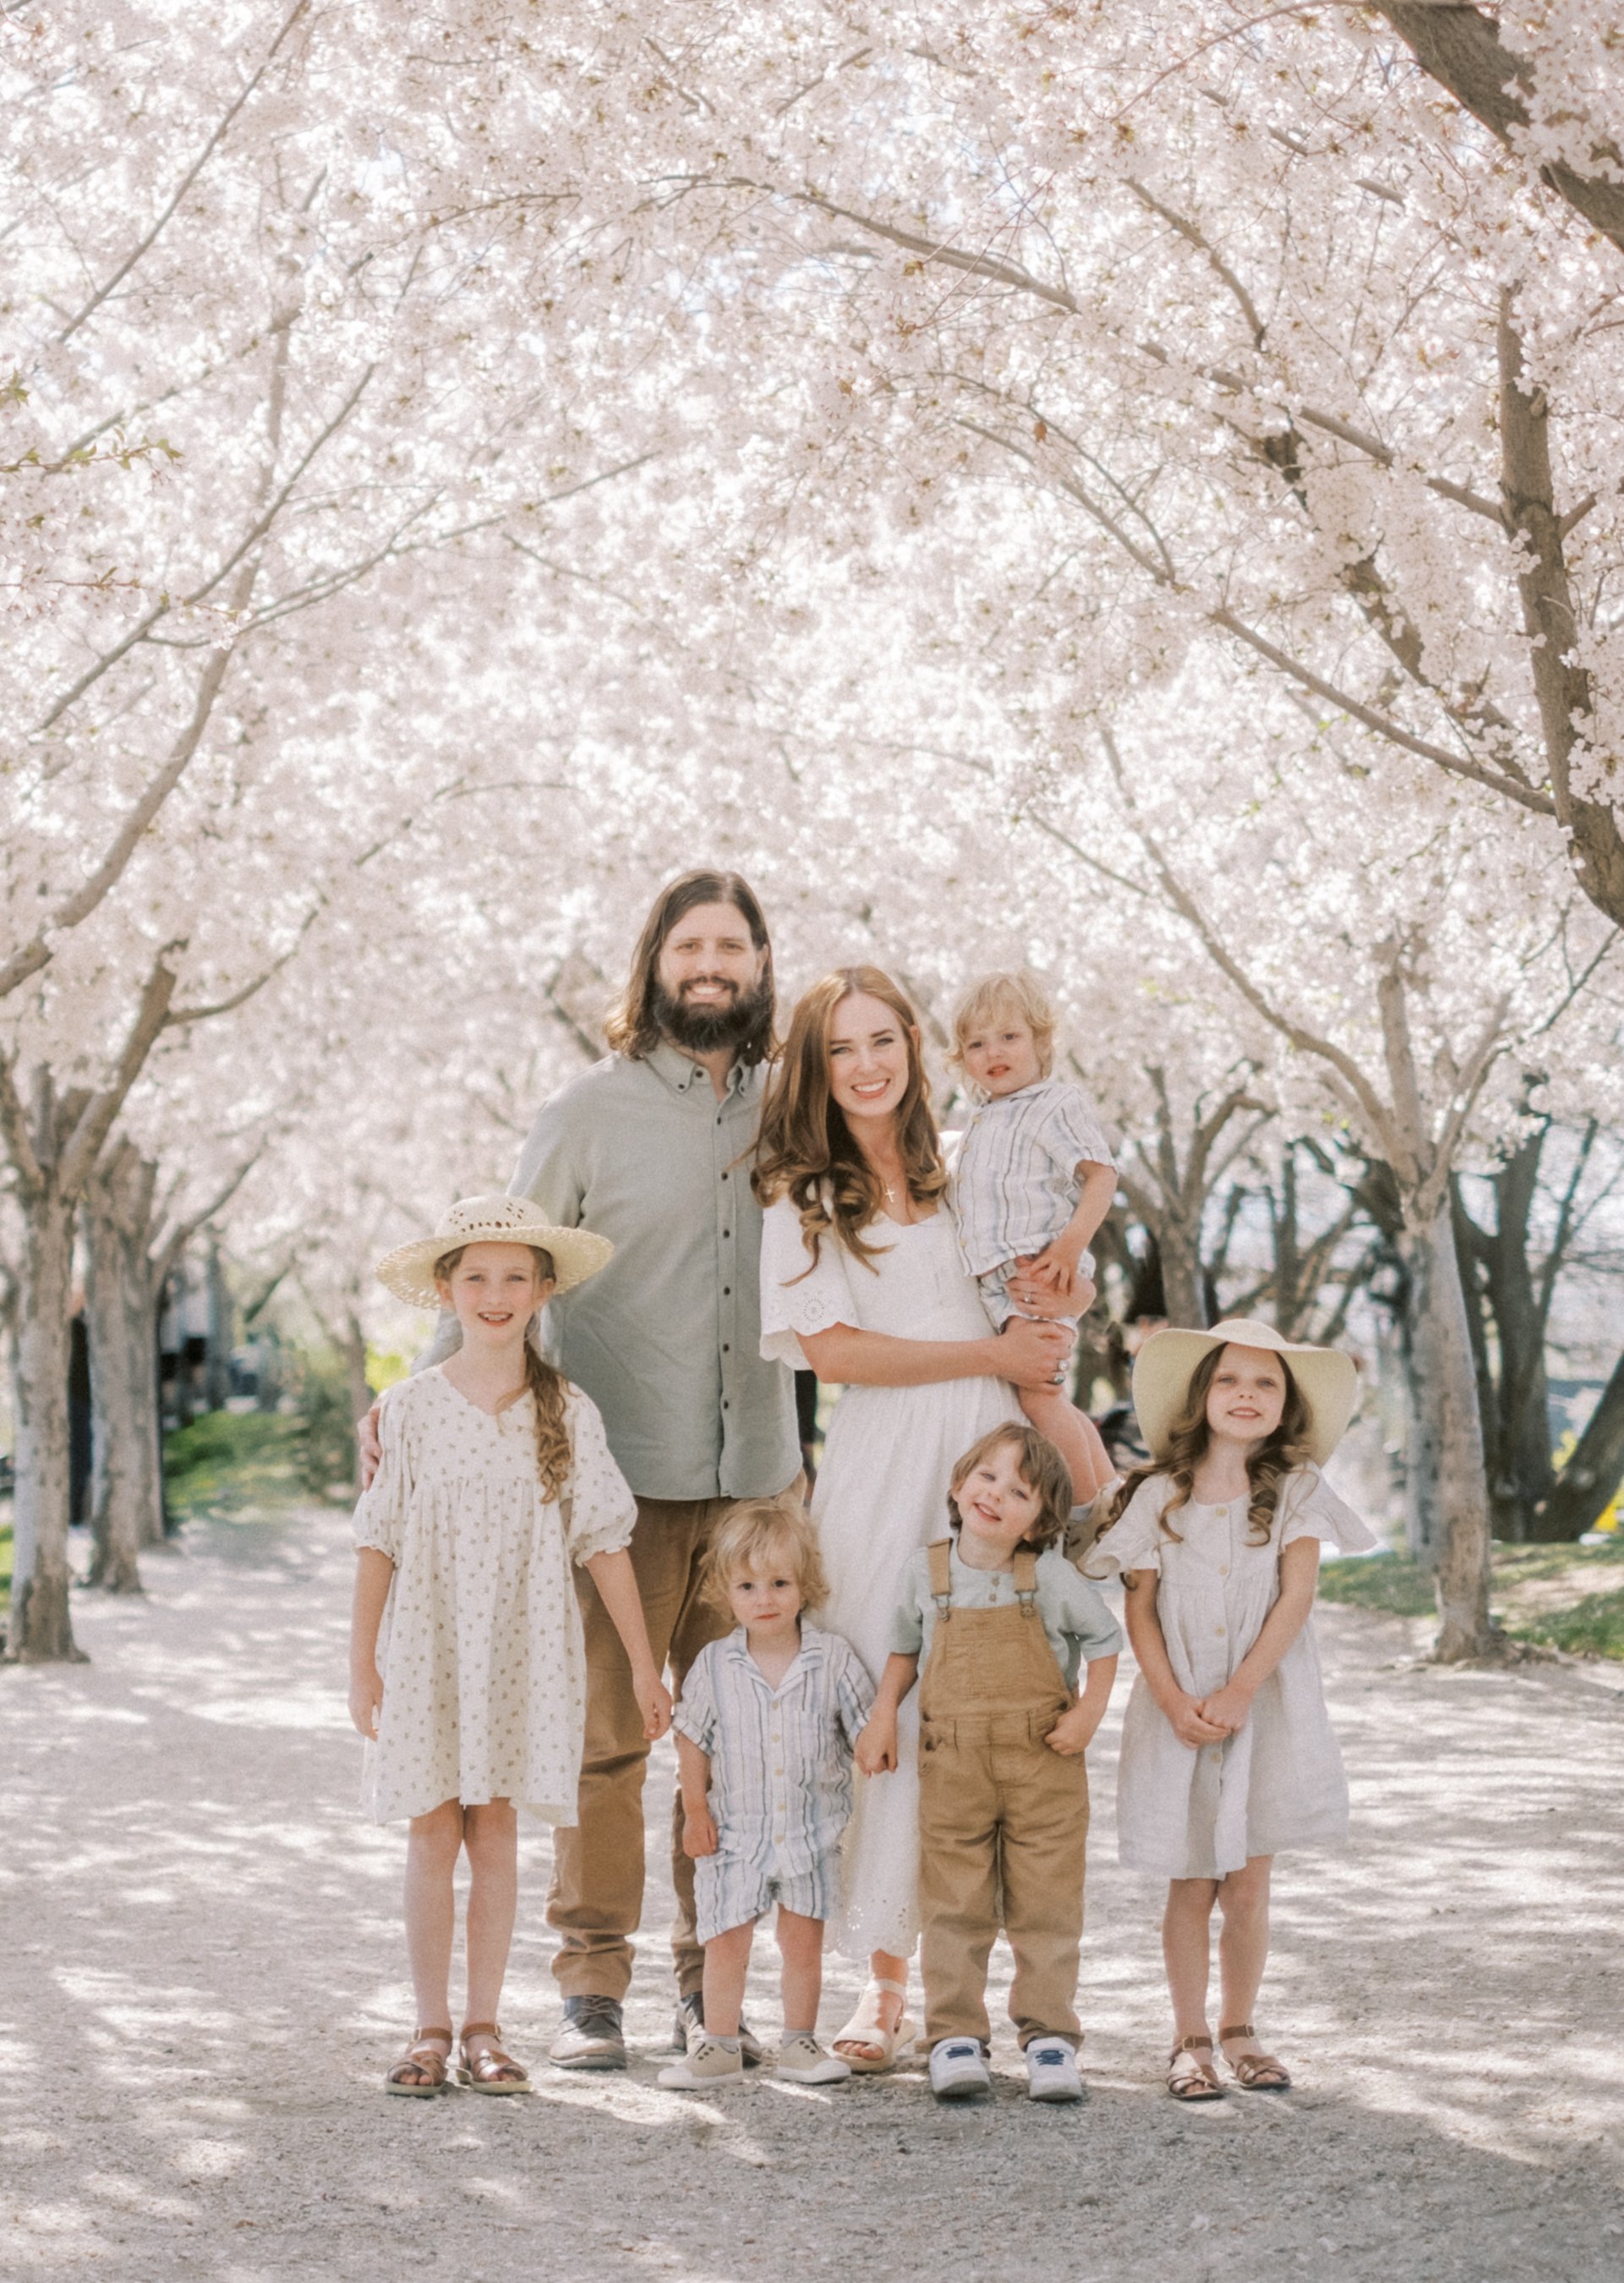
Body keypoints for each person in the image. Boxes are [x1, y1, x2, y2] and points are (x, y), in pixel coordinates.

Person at [360, 871, 801, 2073]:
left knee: (740, 1746)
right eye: (688, 946)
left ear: (761, 963)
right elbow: (499, 1266)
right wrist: (408, 1406)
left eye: (731, 946)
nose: (709, 966)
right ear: (654, 963)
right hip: (620, 1479)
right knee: (607, 1742)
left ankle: (711, 1989)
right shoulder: (586, 1111)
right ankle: (592, 1985)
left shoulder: (795, 1105)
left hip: (760, 1479)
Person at [753, 966, 1077, 2070]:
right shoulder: (801, 1194)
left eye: (882, 1040)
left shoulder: (970, 1162)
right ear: (815, 1067)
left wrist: (1047, 1316)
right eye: (840, 1049)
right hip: (888, 1459)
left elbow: (1037, 1281)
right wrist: (989, 1352)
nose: (866, 1065)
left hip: (991, 1444)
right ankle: (883, 1983)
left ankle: (984, 1993)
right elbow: (832, 1351)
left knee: (992, 1702)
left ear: (912, 1046)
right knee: (887, 1704)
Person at [347, 1196, 671, 2097]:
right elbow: (378, 1540)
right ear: (446, 1289)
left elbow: (605, 1542)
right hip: (430, 1645)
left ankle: (485, 2028)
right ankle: (427, 2027)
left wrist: (643, 1665)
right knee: (430, 1829)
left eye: (514, 1278)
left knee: (494, 1829)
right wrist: (360, 1661)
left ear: (542, 1290)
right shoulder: (408, 1410)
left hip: (519, 1651)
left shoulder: (567, 1411)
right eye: (477, 1277)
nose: (495, 1295)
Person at [1084, 1317, 1373, 2100]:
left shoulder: (1295, 1491)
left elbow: (1296, 1597)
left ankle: (1241, 2027)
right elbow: (1139, 1608)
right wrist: (1172, 1699)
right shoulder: (1155, 1494)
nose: (1246, 1394)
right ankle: (1189, 2037)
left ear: (1285, 1405)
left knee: (1246, 1882)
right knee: (1190, 1880)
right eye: (1229, 1380)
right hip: (1178, 1703)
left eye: (1265, 1383)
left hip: (1261, 1702)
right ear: (1200, 1396)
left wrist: (1242, 1688)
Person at [856, 1424, 1120, 2103]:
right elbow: (903, 1649)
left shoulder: (1049, 1576)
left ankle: (1050, 2037)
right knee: (954, 1903)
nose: (996, 1495)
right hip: (953, 1765)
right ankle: (953, 2036)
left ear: (1040, 1521)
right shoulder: (926, 1571)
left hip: (1043, 1762)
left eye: (1020, 1492)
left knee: (1047, 1903)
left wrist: (1088, 1713)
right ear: (957, 1484)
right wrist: (883, 1713)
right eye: (987, 1477)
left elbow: (1103, 1641)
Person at [659, 1497, 872, 2090]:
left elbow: (865, 1724)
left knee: (801, 1944)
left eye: (780, 1583)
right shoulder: (714, 1664)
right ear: (725, 1592)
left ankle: (799, 2042)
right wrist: (694, 1811)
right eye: (748, 1586)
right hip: (735, 1835)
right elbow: (692, 1739)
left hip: (812, 1832)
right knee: (725, 1941)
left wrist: (876, 1744)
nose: (765, 1599)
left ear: (805, 1584)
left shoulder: (831, 1659)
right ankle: (718, 2044)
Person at [948, 970, 1117, 1505]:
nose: (993, 1052)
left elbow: (1102, 1176)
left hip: (1037, 1273)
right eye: (977, 1044)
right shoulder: (982, 1118)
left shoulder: (1053, 1103)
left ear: (1041, 1042)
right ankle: (1112, 1497)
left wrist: (1069, 1247)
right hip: (1001, 1284)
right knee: (1049, 1397)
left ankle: (1091, 1513)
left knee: (1040, 1400)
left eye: (1009, 1037)